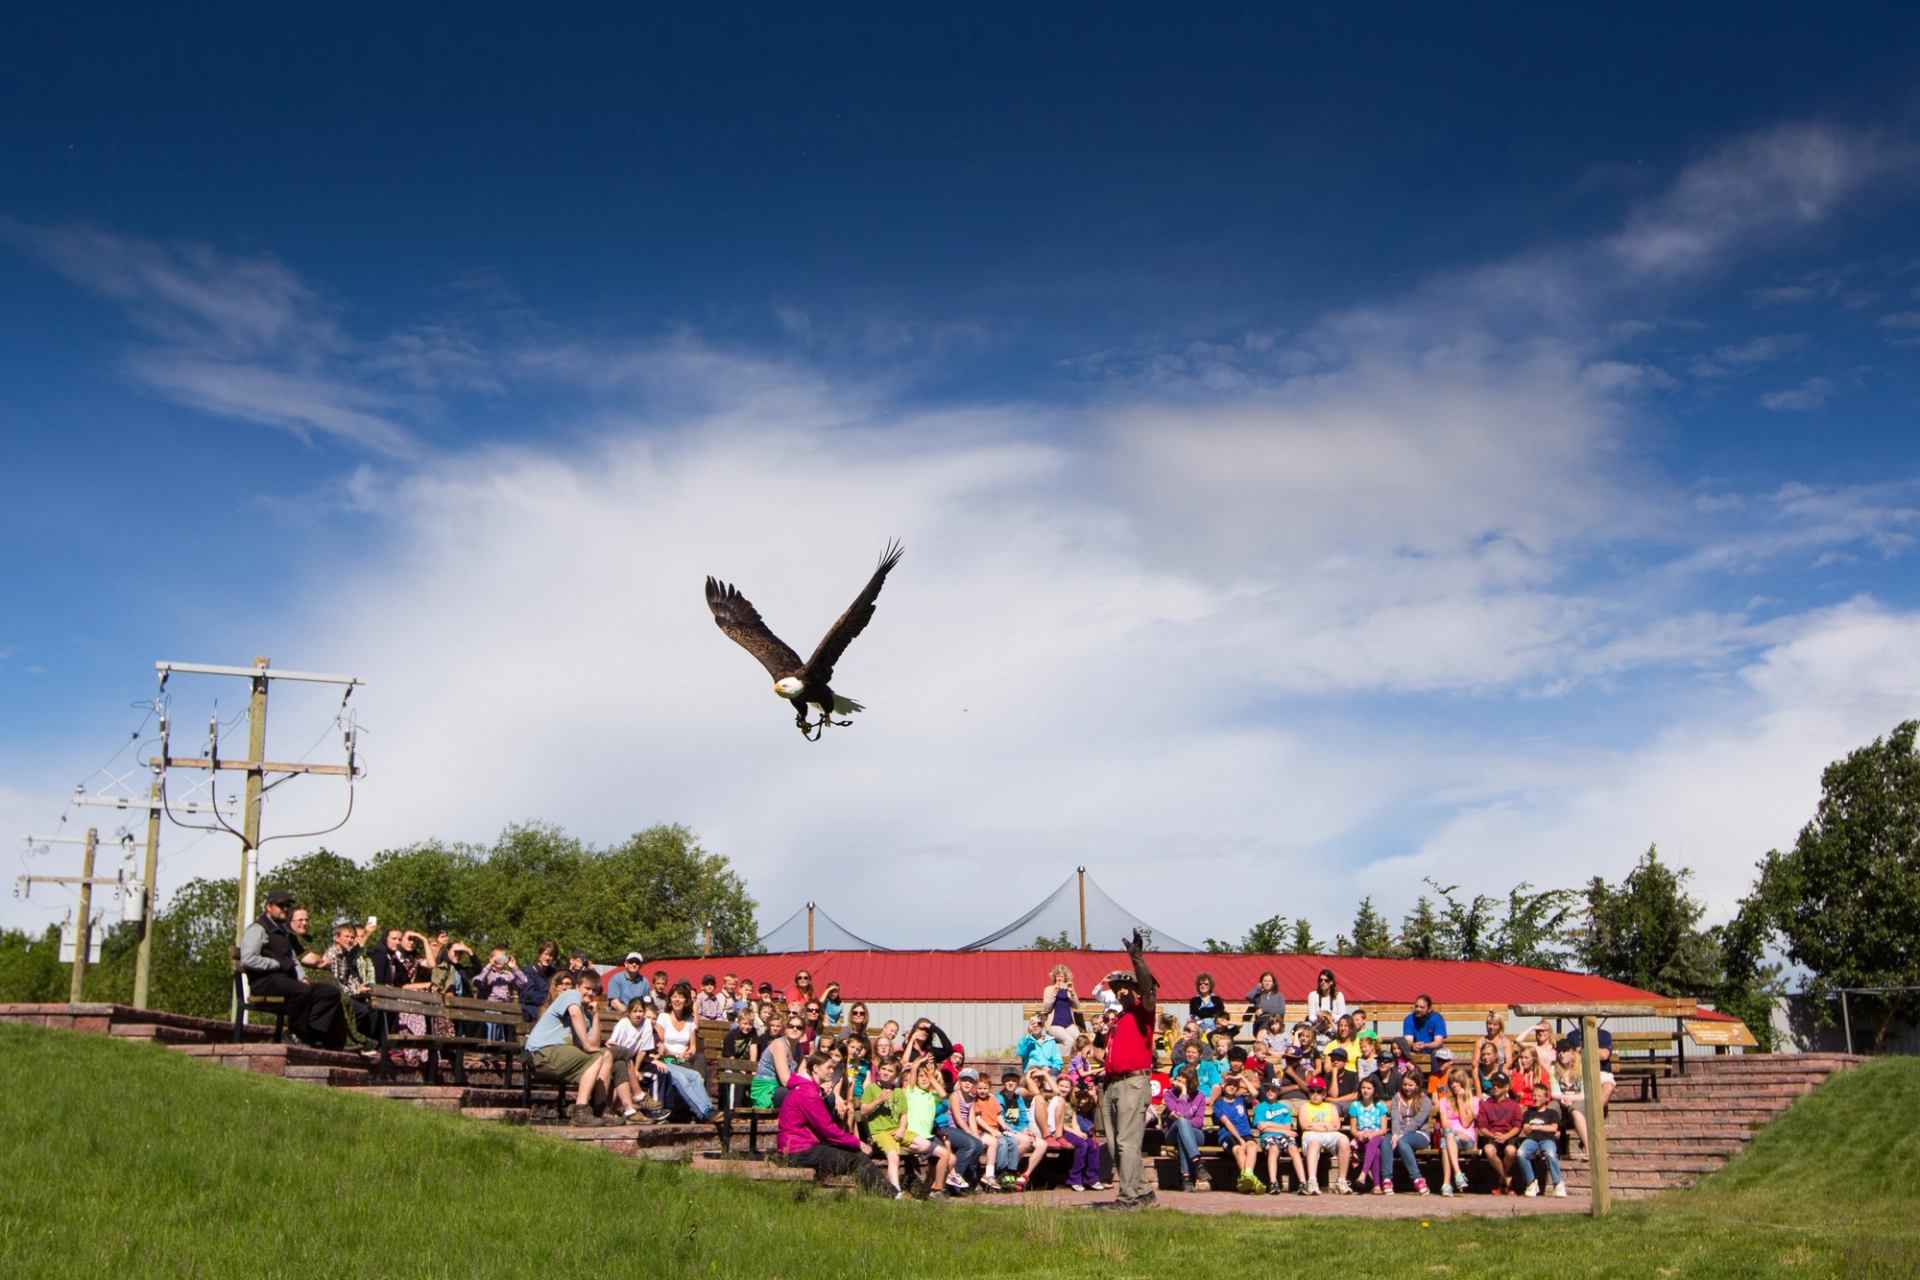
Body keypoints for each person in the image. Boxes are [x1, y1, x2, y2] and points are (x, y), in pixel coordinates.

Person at [1095, 931, 1158, 1211]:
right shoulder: (1118, 1018)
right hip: (1113, 1083)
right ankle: (1143, 1192)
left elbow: (1147, 989)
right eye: (1117, 986)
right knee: (1114, 1144)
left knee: (1126, 1143)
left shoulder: (1143, 1010)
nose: (1121, 990)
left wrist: (1137, 959)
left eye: (1126, 985)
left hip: (1133, 1083)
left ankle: (1128, 1198)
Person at [238, 890, 345, 1048]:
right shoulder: (258, 929)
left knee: (330, 993)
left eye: (288, 906)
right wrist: (276, 964)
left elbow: (293, 959)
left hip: (285, 981)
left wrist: (302, 977)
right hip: (264, 981)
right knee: (301, 991)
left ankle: (315, 1035)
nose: (285, 909)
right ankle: (295, 1033)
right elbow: (248, 959)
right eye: (281, 905)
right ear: (269, 906)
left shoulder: (283, 932)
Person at [775, 1049, 890, 1194]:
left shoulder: (807, 1089)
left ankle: (878, 1192)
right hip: (798, 1149)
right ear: (815, 1069)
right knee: (856, 1158)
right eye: (828, 1067)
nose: (832, 1070)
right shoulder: (808, 1093)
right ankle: (888, 1194)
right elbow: (828, 1129)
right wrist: (857, 1142)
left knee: (850, 1153)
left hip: (799, 1145)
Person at [525, 968, 616, 1125]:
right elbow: (574, 1015)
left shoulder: (586, 1013)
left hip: (559, 1054)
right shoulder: (570, 995)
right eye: (587, 988)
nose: (590, 993)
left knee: (606, 1054)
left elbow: (594, 1045)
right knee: (597, 1057)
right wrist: (586, 1045)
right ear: (578, 986)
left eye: (594, 990)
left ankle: (600, 1109)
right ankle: (580, 1111)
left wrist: (595, 1015)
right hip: (542, 1052)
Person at [655, 982, 720, 1126]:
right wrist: (673, 1054)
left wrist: (686, 1053)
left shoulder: (690, 1020)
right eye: (674, 996)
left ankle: (709, 1109)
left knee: (696, 1075)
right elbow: (659, 1045)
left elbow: (692, 1047)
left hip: (681, 1059)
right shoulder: (663, 1017)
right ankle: (702, 1114)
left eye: (681, 997)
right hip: (666, 1059)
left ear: (686, 1000)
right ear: (670, 999)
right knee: (681, 1077)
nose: (677, 1000)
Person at [898, 1060, 960, 1199]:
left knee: (951, 1159)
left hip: (928, 1137)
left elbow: (944, 1095)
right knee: (944, 1154)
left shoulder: (932, 1096)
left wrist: (932, 1077)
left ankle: (933, 1187)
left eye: (927, 1076)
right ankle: (937, 1190)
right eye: (921, 1076)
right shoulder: (912, 1091)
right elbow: (914, 1068)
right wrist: (921, 1060)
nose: (924, 1079)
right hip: (913, 1137)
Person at [1162, 1064, 1212, 1192]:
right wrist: (1183, 1093)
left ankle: (1186, 1178)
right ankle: (1197, 1163)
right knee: (1181, 1124)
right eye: (1178, 1075)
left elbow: (1199, 1121)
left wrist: (1182, 1120)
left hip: (1197, 1134)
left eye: (1183, 1077)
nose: (1179, 1079)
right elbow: (1180, 1112)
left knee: (1183, 1129)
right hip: (1171, 1134)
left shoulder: (1200, 1096)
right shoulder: (1169, 1094)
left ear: (1191, 1079)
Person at [1298, 1076, 1351, 1194]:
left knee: (1344, 1140)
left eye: (1319, 1091)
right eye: (1312, 1091)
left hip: (1328, 1133)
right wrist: (1324, 1124)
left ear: (1324, 1093)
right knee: (1314, 1143)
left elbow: (1336, 1125)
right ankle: (1312, 1181)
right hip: (1311, 1134)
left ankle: (1341, 1180)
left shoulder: (1331, 1107)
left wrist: (1316, 1125)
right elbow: (1304, 1125)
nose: (1315, 1094)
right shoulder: (1304, 1106)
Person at [1475, 1072, 1526, 1195]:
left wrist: (1505, 1136)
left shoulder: (1513, 1105)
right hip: (1492, 1135)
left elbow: (1517, 1126)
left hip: (1509, 1135)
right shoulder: (1485, 1104)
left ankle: (1500, 1180)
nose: (1496, 1087)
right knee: (1489, 1149)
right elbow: (1482, 1127)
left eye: (1499, 1085)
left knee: (1511, 1151)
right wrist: (1494, 1136)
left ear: (1506, 1087)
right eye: (1494, 1084)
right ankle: (1507, 1179)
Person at [1386, 1068, 1434, 1195]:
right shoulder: (1397, 1098)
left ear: (1417, 1085)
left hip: (1419, 1134)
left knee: (1402, 1142)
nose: (1407, 1088)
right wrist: (1396, 1133)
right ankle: (1387, 1179)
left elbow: (1417, 1122)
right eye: (1405, 1084)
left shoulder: (1425, 1100)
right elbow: (1395, 1117)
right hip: (1399, 1132)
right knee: (1386, 1141)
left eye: (1410, 1085)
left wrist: (1401, 1134)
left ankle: (1417, 1178)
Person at [1252, 1078, 1303, 1196]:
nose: (1270, 1092)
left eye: (1273, 1090)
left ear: (1278, 1091)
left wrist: (1269, 1123)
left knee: (1293, 1149)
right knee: (1274, 1148)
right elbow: (1261, 1127)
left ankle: (1303, 1183)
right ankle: (1273, 1183)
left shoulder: (1284, 1108)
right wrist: (1282, 1130)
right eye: (1268, 1089)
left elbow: (1288, 1127)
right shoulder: (1260, 1107)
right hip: (1268, 1136)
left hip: (1284, 1136)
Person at [1213, 1072, 1262, 1193]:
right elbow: (1228, 1124)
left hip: (1245, 1133)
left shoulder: (1241, 1100)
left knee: (1252, 1145)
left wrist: (1242, 1078)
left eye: (1235, 1085)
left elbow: (1255, 1093)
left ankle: (1247, 1176)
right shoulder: (1218, 1104)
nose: (1232, 1087)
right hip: (1228, 1135)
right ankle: (1252, 1181)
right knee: (1239, 1150)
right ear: (1223, 1085)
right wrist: (1240, 1140)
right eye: (1229, 1084)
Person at [1517, 1085, 1567, 1197]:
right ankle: (1531, 1182)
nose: (1536, 1098)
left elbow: (1553, 1128)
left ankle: (1558, 1183)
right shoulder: (1529, 1112)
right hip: (1532, 1139)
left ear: (1546, 1098)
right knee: (1521, 1153)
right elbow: (1526, 1127)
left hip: (1547, 1139)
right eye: (1534, 1095)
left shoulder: (1552, 1113)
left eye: (1539, 1096)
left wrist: (1536, 1127)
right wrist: (1542, 1127)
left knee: (1550, 1154)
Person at [1435, 1071, 1479, 1196]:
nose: (1454, 1085)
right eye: (1452, 1082)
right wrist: (1457, 1133)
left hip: (1467, 1138)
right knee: (1447, 1139)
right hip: (1452, 1135)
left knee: (1445, 1143)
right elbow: (1444, 1124)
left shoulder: (1474, 1101)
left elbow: (1465, 1123)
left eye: (1457, 1082)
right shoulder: (1444, 1101)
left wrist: (1460, 1100)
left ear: (1464, 1083)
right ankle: (1457, 1175)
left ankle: (1447, 1183)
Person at [471, 946, 526, 1042]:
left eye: (503, 958)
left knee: (508, 1019)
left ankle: (503, 1047)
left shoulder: (508, 975)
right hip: (491, 1007)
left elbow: (524, 982)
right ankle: (490, 1045)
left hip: (506, 1008)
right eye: (498, 958)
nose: (500, 961)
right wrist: (489, 965)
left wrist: (514, 968)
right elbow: (477, 981)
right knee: (492, 1014)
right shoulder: (488, 973)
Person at [1349, 1075, 1391, 1194]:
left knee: (1374, 1142)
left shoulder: (1380, 1106)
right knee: (1375, 1152)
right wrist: (1359, 1135)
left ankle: (1363, 1174)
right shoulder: (1355, 1106)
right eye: (1363, 1088)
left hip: (1377, 1136)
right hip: (1362, 1138)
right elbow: (1353, 1128)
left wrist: (1373, 1133)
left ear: (1374, 1090)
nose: (1365, 1091)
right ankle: (1376, 1186)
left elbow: (1383, 1129)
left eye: (1369, 1088)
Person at [751, 1015, 801, 1111]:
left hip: (781, 1086)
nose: (795, 1029)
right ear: (785, 1029)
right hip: (767, 1087)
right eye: (791, 1026)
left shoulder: (799, 1048)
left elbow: (803, 1074)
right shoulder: (778, 1044)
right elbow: (786, 1081)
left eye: (799, 1027)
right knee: (801, 1094)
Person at [1565, 1023, 1617, 1108]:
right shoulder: (1573, 1035)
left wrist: (1583, 1050)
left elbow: (1604, 1055)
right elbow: (1574, 1054)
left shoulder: (1604, 1034)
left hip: (1602, 1072)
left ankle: (1596, 1111)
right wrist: (1597, 1052)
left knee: (1608, 1086)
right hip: (1581, 1071)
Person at [1552, 1040, 1590, 1151]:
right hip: (1561, 1100)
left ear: (1572, 1053)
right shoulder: (1553, 1069)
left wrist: (1568, 1099)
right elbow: (1554, 1093)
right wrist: (1563, 1099)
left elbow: (1584, 1094)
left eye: (1564, 1051)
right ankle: (1548, 1147)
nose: (1561, 1054)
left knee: (1575, 1111)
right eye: (1559, 1051)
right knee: (1551, 1108)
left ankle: (1588, 1148)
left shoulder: (1583, 1069)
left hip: (1579, 1099)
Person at [1039, 964, 1081, 1058]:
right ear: (1054, 977)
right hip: (1054, 1025)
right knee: (1069, 1041)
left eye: (1062, 976)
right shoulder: (1049, 989)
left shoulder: (1068, 990)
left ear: (1066, 978)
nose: (1059, 978)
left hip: (1069, 1024)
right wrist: (1055, 992)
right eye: (1058, 976)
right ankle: (1063, 1065)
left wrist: (1072, 992)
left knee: (1080, 1040)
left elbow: (1077, 1006)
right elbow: (1046, 1008)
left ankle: (1076, 1064)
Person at [518, 942, 558, 1024]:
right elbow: (529, 994)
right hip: (532, 1011)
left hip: (549, 1010)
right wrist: (549, 998)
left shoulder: (554, 973)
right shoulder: (529, 970)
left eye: (551, 955)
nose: (547, 958)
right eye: (545, 954)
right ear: (539, 955)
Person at [1306, 968, 1347, 1042]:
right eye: (1321, 980)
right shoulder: (1312, 995)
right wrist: (1318, 1018)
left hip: (1333, 1028)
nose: (1323, 982)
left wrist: (1329, 1017)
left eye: (1326, 980)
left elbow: (1342, 1015)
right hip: (1318, 1027)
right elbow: (1311, 1017)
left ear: (1331, 982)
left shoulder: (1339, 996)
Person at [1403, 994, 1448, 1061]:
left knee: (1437, 1053)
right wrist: (1413, 1044)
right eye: (1416, 1006)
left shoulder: (1437, 1019)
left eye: (1422, 1007)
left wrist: (1424, 1045)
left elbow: (1438, 1042)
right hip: (1414, 1049)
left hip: (1432, 1050)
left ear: (1429, 1009)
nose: (1418, 1009)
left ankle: (1436, 1072)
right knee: (1400, 1050)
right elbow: (1408, 1040)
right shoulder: (1409, 1019)